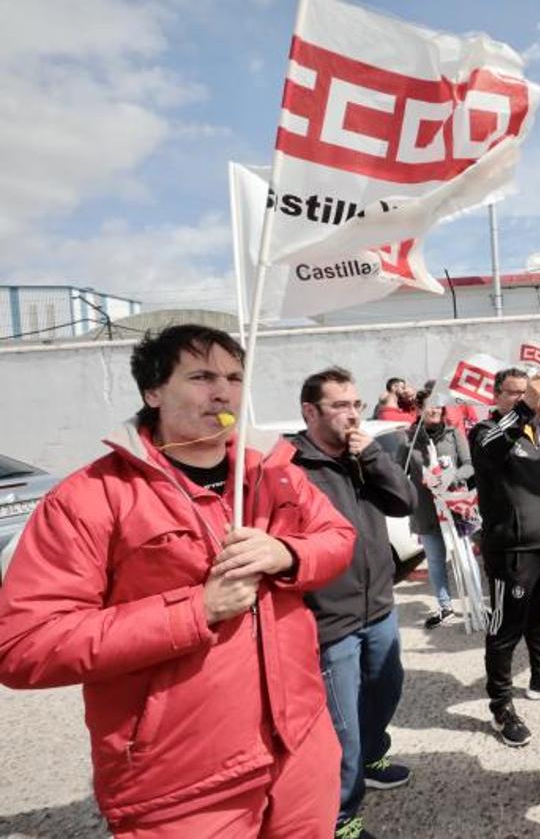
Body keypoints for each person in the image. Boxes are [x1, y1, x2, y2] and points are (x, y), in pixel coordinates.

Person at [0, 325, 356, 837]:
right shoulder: (91, 497)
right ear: (152, 392)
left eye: (235, 377)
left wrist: (287, 552)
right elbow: (24, 646)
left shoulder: (271, 472)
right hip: (182, 778)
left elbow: (336, 537)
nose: (223, 392)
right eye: (201, 376)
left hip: (299, 747)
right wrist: (196, 611)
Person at [292, 367, 419, 839]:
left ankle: (371, 756)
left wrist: (375, 459)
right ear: (310, 411)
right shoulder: (293, 465)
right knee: (340, 728)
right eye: (339, 405)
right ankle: (341, 818)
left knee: (386, 690)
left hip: (380, 606)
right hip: (331, 618)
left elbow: (405, 502)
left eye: (357, 405)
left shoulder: (362, 455)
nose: (351, 415)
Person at [469, 367, 540, 748]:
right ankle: (501, 706)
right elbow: (495, 447)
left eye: (527, 393)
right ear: (498, 396)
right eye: (514, 393)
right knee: (505, 631)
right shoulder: (485, 433)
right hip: (512, 553)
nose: (522, 398)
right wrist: (526, 407)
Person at [387, 390, 473, 629]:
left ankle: (474, 603)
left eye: (438, 406)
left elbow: (468, 465)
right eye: (429, 406)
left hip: (455, 506)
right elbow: (398, 472)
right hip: (425, 510)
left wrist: (452, 477)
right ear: (419, 409)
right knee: (435, 560)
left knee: (464, 557)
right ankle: (445, 606)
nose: (434, 410)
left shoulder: (453, 434)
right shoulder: (409, 439)